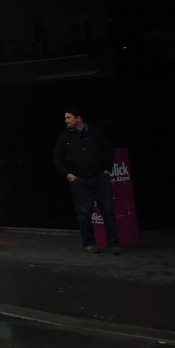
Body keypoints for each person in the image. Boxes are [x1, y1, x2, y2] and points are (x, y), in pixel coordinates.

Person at [53, 106, 120, 254]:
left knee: (108, 210)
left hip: (99, 177)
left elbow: (108, 149)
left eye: (69, 117)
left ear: (78, 118)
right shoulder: (64, 136)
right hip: (80, 180)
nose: (66, 120)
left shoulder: (95, 132)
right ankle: (89, 243)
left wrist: (107, 169)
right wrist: (67, 174)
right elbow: (57, 156)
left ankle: (113, 243)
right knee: (84, 212)